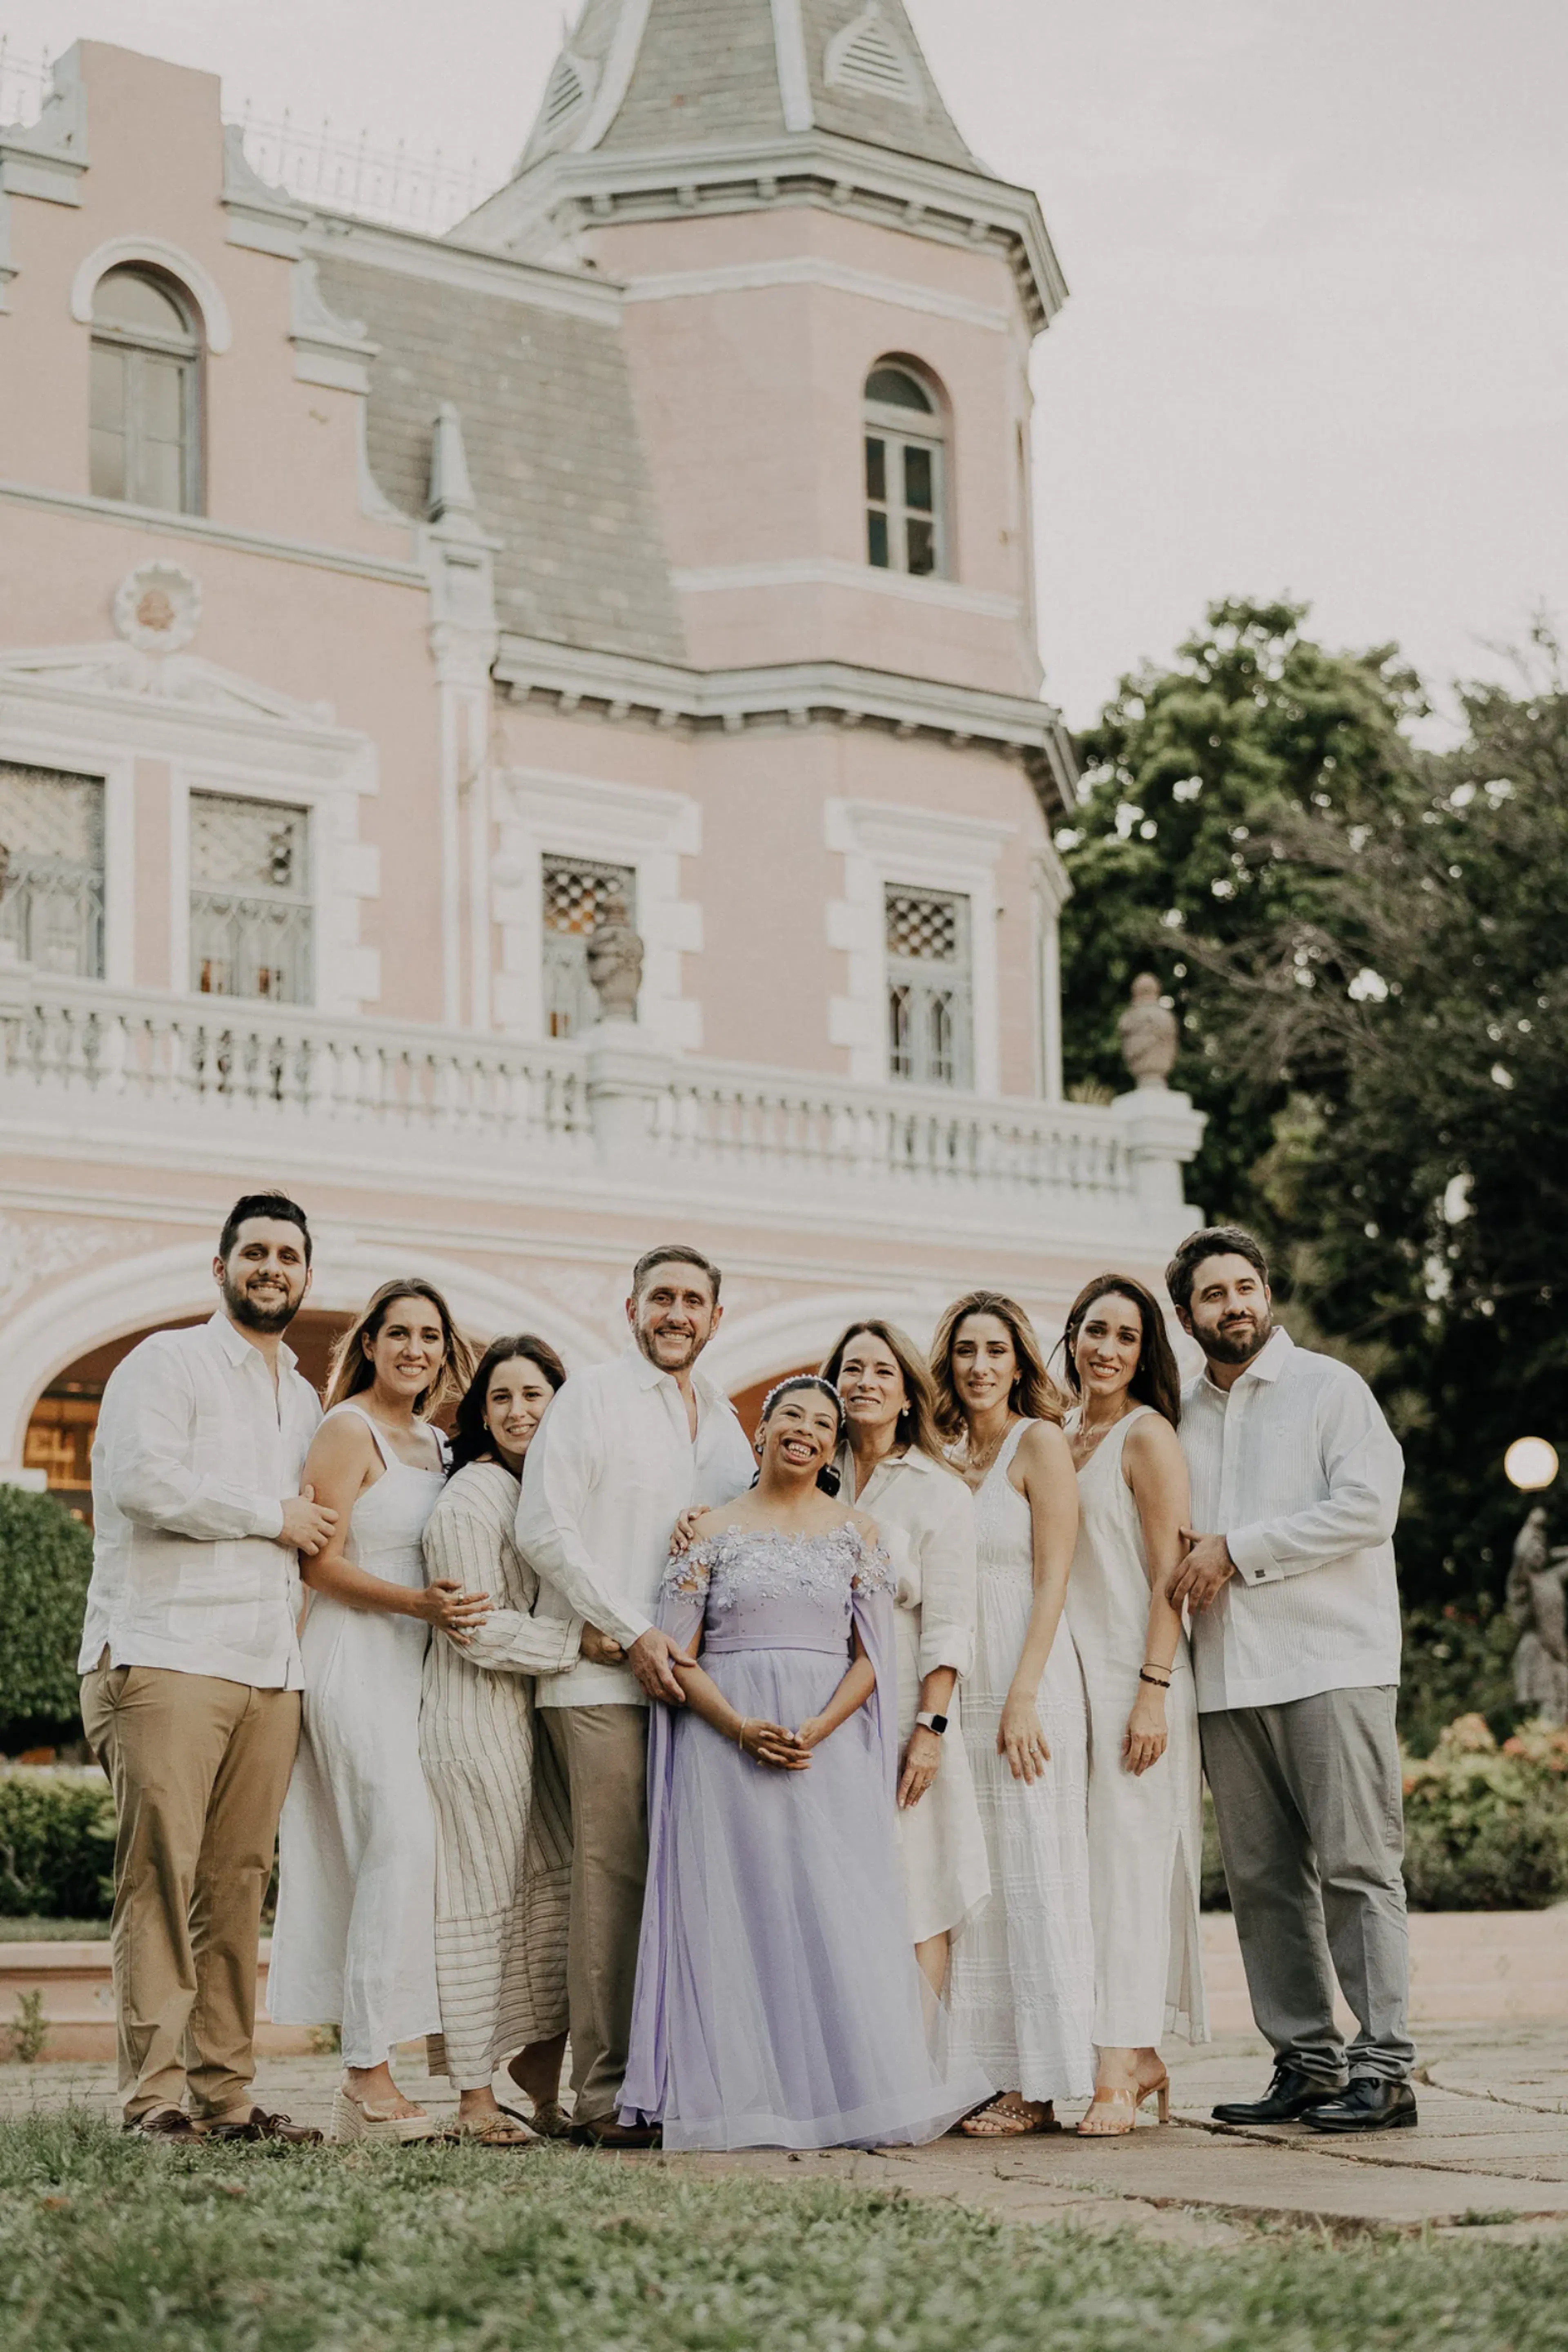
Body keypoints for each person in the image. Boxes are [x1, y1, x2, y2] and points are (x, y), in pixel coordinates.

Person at [619, 1377, 993, 2149]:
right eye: (792, 1415)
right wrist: (740, 1726)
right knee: (738, 1910)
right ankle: (742, 2094)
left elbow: (873, 1658)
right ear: (761, 1431)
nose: (808, 1431)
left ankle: (844, 2093)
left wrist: (816, 1728)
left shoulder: (861, 1533)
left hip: (827, 1747)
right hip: (723, 1742)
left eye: (824, 1424)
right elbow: (675, 1655)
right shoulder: (708, 1531)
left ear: (832, 1448)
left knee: (830, 1909)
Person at [78, 1192, 332, 2145]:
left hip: (270, 1665)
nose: (272, 1267)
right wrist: (273, 1514)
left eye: (289, 1256)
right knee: (160, 1875)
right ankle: (155, 2099)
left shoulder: (303, 1397)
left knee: (238, 1883)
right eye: (256, 1252)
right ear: (220, 1266)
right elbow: (142, 1483)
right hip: (166, 1653)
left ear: (308, 1275)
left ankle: (225, 2099)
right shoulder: (167, 1362)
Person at [1165, 1226, 1415, 2135]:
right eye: (1212, 1294)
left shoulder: (1329, 1389)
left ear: (1266, 1293)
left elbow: (1367, 1508)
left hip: (1332, 1663)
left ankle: (1384, 2068)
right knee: (1265, 1884)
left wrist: (1240, 1549)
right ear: (1187, 1315)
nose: (1233, 1304)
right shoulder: (1180, 1415)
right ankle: (1306, 2063)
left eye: (1244, 1287)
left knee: (1357, 1867)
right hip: (1228, 1677)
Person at [517, 1244, 756, 2147]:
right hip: (599, 1681)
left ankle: (676, 2080)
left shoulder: (726, 1425)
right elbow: (545, 1528)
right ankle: (604, 2095)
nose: (677, 1314)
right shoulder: (592, 1398)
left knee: (682, 1883)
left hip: (692, 1689)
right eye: (663, 1298)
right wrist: (631, 1630)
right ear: (632, 1308)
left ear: (715, 1319)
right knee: (612, 1884)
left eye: (695, 1300)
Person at [267, 1279, 487, 2143]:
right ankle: (365, 2075)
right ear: (370, 1344)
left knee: (412, 1858)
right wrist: (418, 1607)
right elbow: (317, 1567)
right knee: (395, 1843)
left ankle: (383, 2062)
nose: (414, 1350)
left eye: (429, 1337)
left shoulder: (437, 1443)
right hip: (354, 1658)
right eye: (398, 1334)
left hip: (421, 1671)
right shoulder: (345, 1430)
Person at [419, 1336, 625, 2145]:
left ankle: (537, 2095)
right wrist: (579, 1646)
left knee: (549, 1907)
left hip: (532, 1721)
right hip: (476, 1724)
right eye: (501, 1398)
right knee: (480, 1910)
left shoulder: (545, 1491)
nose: (518, 1412)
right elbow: (474, 1630)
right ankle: (474, 2102)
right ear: (479, 1413)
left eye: (534, 1395)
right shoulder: (473, 1497)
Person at [932, 1290, 1095, 2135]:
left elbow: (1055, 1576)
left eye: (996, 1350)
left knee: (1034, 1872)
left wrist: (1025, 1695)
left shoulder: (1040, 1445)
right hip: (961, 1689)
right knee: (978, 1883)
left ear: (1020, 1361)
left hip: (1029, 1679)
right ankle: (986, 2071)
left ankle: (1041, 2080)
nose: (980, 1365)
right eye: (966, 1350)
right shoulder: (948, 1451)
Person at [1058, 1274, 1207, 2136]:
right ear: (1072, 1337)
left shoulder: (1147, 1438)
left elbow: (1169, 1578)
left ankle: (1119, 2064)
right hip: (1068, 1682)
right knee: (1082, 1872)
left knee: (1128, 1869)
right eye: (1093, 1331)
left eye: (1125, 1336)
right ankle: (1134, 2054)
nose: (1106, 1349)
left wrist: (1152, 1691)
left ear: (1146, 1352)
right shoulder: (1060, 1434)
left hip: (1133, 1677)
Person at [820, 1319, 989, 1995]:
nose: (865, 1383)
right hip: (816, 1704)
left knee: (917, 1891)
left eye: (883, 1372)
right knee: (836, 1889)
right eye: (852, 1369)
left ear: (909, 1396)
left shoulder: (938, 1490)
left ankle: (918, 2077)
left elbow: (950, 1623)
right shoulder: (807, 1468)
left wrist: (930, 1730)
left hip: (898, 1708)